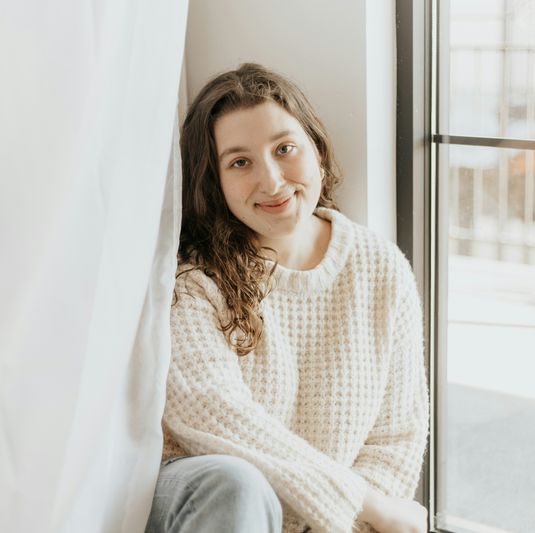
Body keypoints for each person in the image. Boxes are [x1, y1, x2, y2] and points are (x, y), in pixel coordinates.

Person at [146, 63, 429, 533]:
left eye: (285, 149)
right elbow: (213, 418)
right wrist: (364, 505)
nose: (272, 181)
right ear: (214, 181)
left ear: (316, 149)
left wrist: (343, 520)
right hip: (204, 497)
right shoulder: (193, 279)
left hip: (334, 524)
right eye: (240, 162)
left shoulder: (380, 267)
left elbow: (394, 438)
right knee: (237, 482)